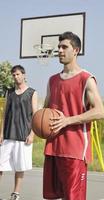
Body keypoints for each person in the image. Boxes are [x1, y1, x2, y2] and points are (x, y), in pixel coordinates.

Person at [43, 31, 104, 200]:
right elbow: (46, 111)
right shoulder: (52, 80)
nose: (60, 51)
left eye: (65, 47)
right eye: (59, 47)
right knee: (54, 196)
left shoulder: (86, 79)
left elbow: (100, 112)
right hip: (52, 148)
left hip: (74, 150)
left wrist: (67, 121)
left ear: (76, 50)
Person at [0, 65, 38, 200]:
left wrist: (32, 134)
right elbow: (5, 114)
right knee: (0, 165)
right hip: (8, 134)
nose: (16, 77)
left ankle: (15, 193)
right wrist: (1, 133)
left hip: (23, 135)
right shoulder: (8, 92)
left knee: (19, 167)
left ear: (24, 75)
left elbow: (35, 116)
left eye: (18, 74)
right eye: (14, 75)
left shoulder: (32, 92)